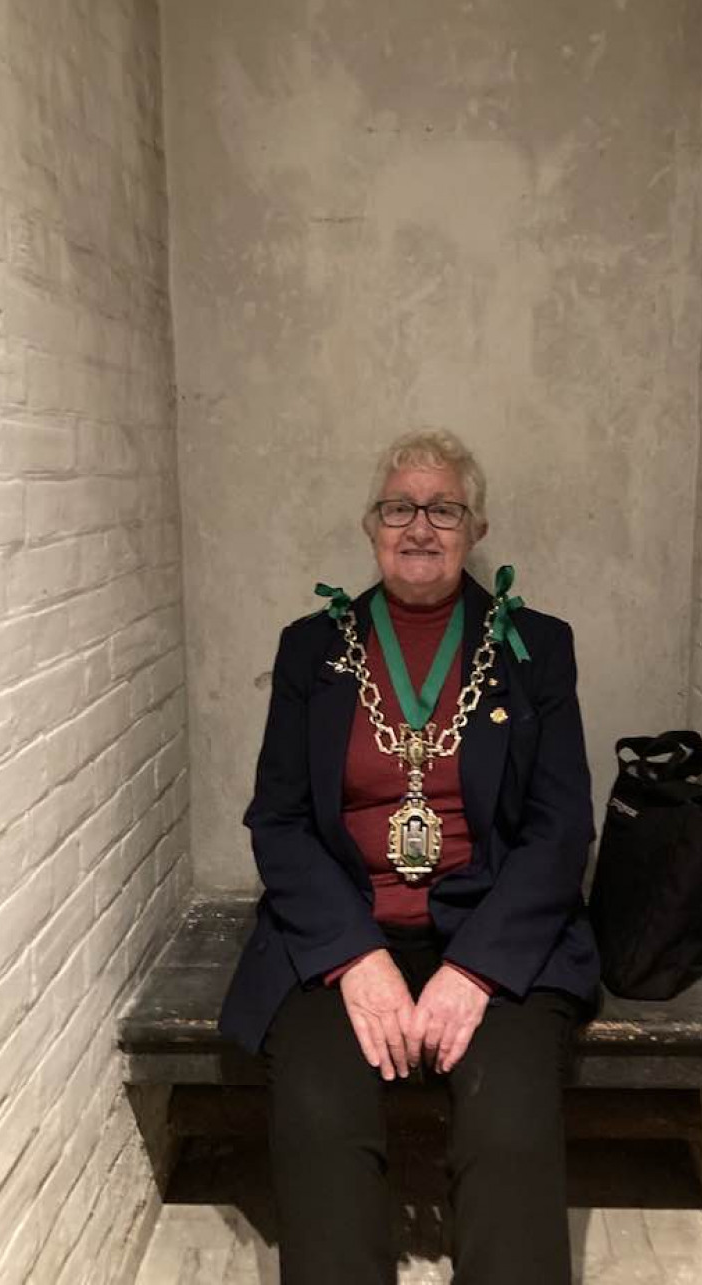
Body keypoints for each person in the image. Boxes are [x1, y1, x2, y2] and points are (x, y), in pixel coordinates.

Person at [217, 428, 600, 1285]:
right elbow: (277, 821)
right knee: (320, 1114)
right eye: (400, 506)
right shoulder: (312, 651)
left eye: (444, 508)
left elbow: (560, 828)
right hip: (345, 929)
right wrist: (354, 957)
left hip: (493, 928)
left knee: (507, 1125)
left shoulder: (538, 649)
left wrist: (477, 971)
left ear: (477, 527)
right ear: (371, 525)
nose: (420, 525)